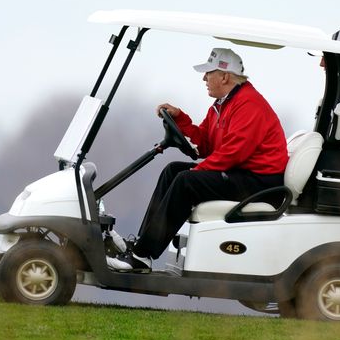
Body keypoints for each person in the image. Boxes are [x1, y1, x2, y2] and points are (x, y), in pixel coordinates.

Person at [107, 48, 289, 272]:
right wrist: (180, 119)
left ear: (224, 76)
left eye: (208, 73)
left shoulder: (249, 104)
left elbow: (233, 153)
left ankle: (142, 256)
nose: (204, 78)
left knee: (186, 181)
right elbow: (204, 144)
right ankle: (140, 247)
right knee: (173, 170)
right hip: (242, 174)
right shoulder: (223, 104)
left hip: (261, 183)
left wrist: (198, 172)